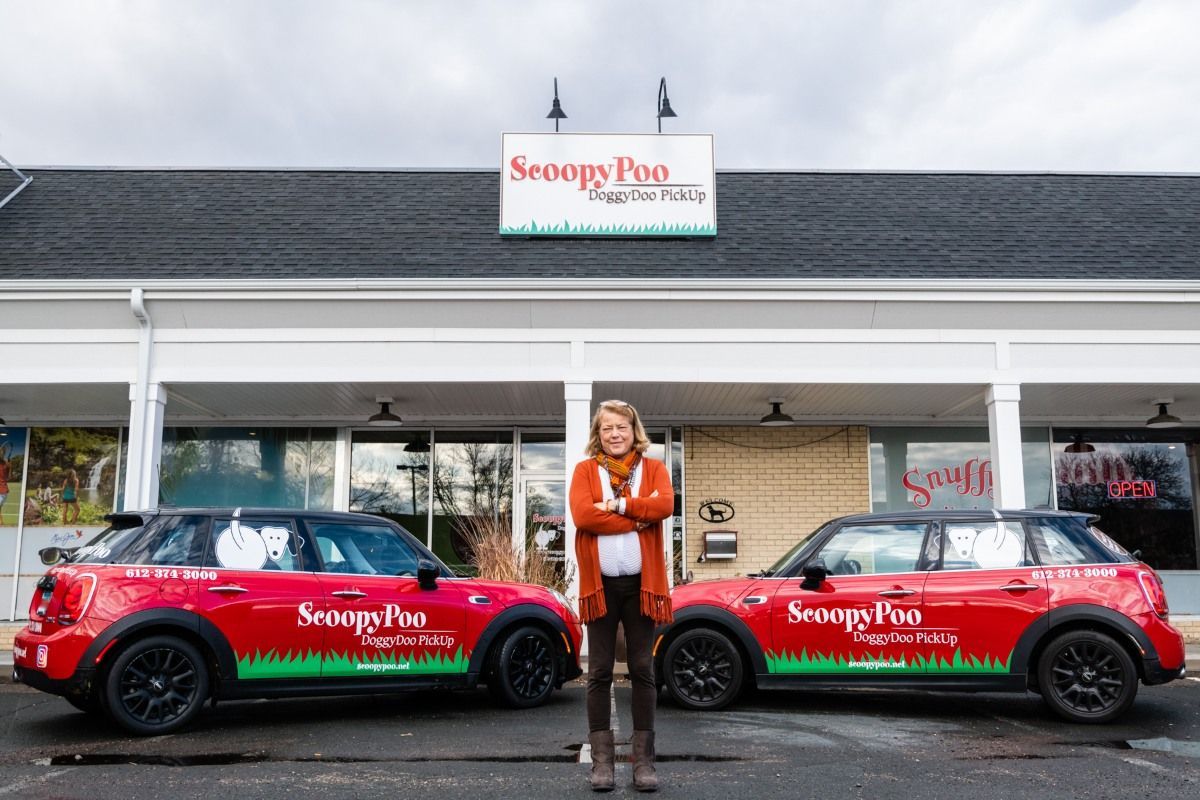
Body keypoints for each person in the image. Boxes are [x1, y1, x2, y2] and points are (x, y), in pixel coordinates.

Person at [569, 400, 673, 793]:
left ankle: (643, 763)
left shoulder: (654, 468)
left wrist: (618, 504)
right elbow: (583, 516)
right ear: (599, 433)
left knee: (643, 669)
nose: (615, 434)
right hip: (601, 588)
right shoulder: (585, 470)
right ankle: (602, 764)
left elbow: (665, 504)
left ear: (634, 431)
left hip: (641, 587)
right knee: (597, 672)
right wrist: (637, 518)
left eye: (622, 427)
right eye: (608, 427)